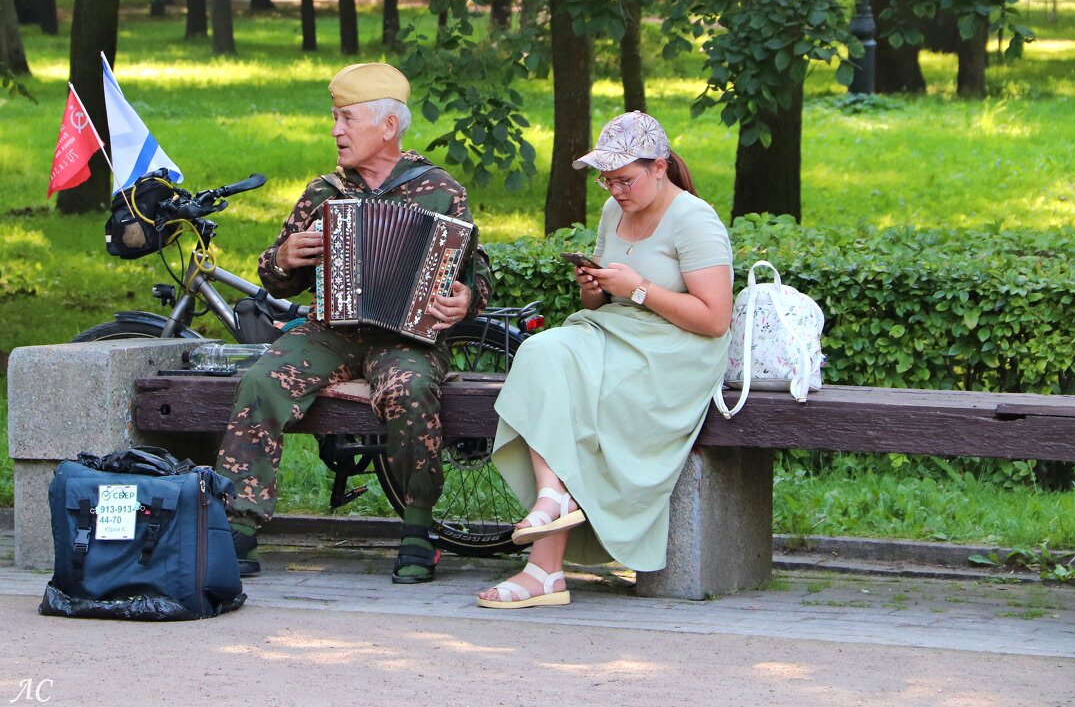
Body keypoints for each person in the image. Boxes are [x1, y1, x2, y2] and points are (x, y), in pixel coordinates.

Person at [217, 63, 492, 584]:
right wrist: (284, 258)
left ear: (388, 126)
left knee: (410, 388)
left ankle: (417, 530)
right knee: (261, 379)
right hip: (331, 333)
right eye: (334, 118)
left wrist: (464, 300)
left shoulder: (439, 190)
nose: (335, 131)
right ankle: (239, 524)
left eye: (346, 119)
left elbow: (477, 275)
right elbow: (275, 281)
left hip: (405, 336)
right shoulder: (324, 192)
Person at [476, 111, 733, 608]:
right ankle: (553, 498)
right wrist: (594, 288)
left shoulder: (695, 219)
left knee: (579, 400)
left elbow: (714, 319)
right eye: (607, 180)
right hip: (616, 333)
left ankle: (544, 569)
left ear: (659, 167)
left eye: (625, 179)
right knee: (541, 350)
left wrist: (636, 288)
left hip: (675, 352)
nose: (615, 190)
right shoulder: (614, 213)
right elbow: (601, 307)